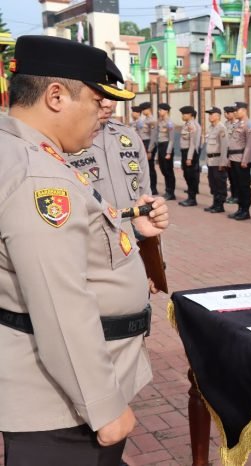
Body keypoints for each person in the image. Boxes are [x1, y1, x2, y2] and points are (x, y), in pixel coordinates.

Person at [0, 34, 169, 466]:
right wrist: (104, 407)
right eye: (97, 101)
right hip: (61, 408)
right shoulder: (42, 178)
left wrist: (131, 225)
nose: (103, 115)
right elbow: (60, 303)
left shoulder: (21, 149)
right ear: (56, 96)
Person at [67, 99, 151, 208]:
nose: (109, 104)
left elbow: (144, 189)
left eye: (111, 96)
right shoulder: (64, 140)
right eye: (101, 96)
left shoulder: (128, 134)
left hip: (134, 223)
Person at [227, 102, 251, 221]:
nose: (235, 112)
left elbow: (250, 144)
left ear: (244, 110)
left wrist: (245, 159)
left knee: (244, 186)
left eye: (237, 110)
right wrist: (229, 158)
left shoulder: (249, 124)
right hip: (233, 158)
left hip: (242, 159)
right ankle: (240, 209)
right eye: (234, 110)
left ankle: (245, 210)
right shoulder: (237, 124)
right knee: (237, 186)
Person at [203, 107, 229, 213]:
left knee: (220, 183)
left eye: (211, 114)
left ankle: (220, 205)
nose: (209, 116)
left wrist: (223, 162)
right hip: (211, 160)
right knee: (212, 183)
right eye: (209, 114)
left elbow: (224, 146)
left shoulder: (221, 128)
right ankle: (215, 203)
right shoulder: (210, 128)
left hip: (218, 160)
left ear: (218, 116)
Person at [149, 103, 176, 200]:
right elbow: (154, 136)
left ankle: (170, 192)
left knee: (168, 171)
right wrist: (150, 149)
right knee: (163, 169)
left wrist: (168, 152)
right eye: (159, 110)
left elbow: (172, 139)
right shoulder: (159, 122)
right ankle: (167, 190)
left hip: (166, 146)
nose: (159, 111)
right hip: (160, 146)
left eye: (161, 110)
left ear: (166, 111)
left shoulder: (169, 123)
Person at [178, 105, 202, 207]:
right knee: (187, 175)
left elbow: (193, 143)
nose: (182, 116)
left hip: (190, 153)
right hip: (185, 152)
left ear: (190, 115)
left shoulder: (192, 125)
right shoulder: (186, 124)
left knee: (191, 176)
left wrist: (189, 157)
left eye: (184, 114)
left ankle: (192, 199)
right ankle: (190, 196)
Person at [136, 102, 158, 194]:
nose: (143, 111)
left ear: (148, 109)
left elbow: (153, 136)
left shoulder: (152, 120)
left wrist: (150, 150)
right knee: (145, 167)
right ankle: (147, 186)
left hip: (149, 143)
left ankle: (153, 188)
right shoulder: (144, 120)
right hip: (143, 143)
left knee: (150, 167)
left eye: (144, 109)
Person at [223, 105, 239, 205]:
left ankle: (236, 196)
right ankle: (233, 195)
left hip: (235, 153)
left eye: (228, 113)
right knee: (230, 176)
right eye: (225, 113)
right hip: (226, 152)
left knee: (235, 176)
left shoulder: (238, 124)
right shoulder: (226, 124)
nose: (226, 115)